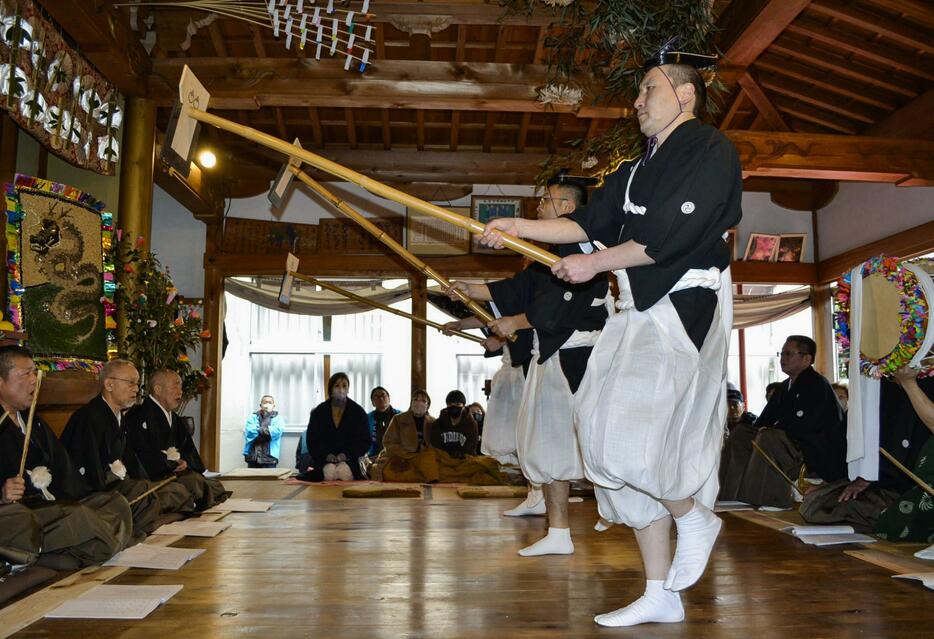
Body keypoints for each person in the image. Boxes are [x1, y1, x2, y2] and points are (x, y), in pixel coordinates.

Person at [480, 37, 741, 626]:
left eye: (648, 89)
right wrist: (513, 224)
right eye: (638, 92)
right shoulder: (634, 170)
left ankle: (694, 516)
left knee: (626, 439)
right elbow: (584, 224)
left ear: (685, 94)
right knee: (598, 441)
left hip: (682, 306)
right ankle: (660, 592)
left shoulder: (708, 149)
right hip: (635, 311)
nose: (637, 101)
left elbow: (674, 232)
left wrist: (596, 262)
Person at [452, 169, 609, 554]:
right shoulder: (550, 256)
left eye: (546, 201)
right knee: (549, 445)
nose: (539, 207)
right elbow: (521, 289)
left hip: (575, 358)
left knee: (570, 445)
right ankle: (558, 531)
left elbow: (556, 307)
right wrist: (466, 289)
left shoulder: (584, 252)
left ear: (567, 207)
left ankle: (590, 517)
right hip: (552, 355)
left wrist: (514, 321)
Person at [0, 346, 133, 569]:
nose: (34, 380)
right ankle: (85, 548)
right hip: (20, 515)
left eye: (35, 372)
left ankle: (65, 553)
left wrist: (82, 498)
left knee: (113, 502)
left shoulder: (34, 421)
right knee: (76, 517)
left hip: (49, 507)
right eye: (25, 374)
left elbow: (63, 467)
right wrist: (2, 493)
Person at [61, 360, 191, 538]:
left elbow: (131, 462)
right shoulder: (88, 418)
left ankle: (147, 517)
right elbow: (88, 473)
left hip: (121, 487)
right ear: (109, 384)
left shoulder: (118, 418)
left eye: (137, 384)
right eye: (130, 383)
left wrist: (148, 484)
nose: (136, 389)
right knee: (148, 494)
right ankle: (136, 523)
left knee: (174, 490)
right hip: (99, 494)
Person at [720, 336, 847, 509]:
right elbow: (763, 421)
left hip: (813, 451)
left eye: (788, 353)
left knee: (769, 438)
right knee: (741, 434)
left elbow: (806, 425)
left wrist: (770, 429)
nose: (783, 358)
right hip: (788, 444)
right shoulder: (784, 387)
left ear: (807, 359)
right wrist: (754, 429)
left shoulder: (817, 385)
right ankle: (730, 496)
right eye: (782, 353)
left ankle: (768, 499)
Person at [801, 370, 933, 533]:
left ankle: (894, 518)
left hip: (907, 483)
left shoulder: (926, 385)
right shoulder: (881, 387)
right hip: (879, 477)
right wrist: (835, 478)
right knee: (815, 503)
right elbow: (847, 437)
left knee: (826, 508)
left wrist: (909, 383)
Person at [125, 369, 228, 510]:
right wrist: (170, 464)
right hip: (158, 478)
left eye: (181, 386)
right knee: (194, 484)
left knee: (213, 485)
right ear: (158, 389)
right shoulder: (138, 416)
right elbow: (141, 453)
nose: (180, 391)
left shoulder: (173, 417)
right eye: (175, 386)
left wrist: (185, 462)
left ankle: (192, 501)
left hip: (174, 474)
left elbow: (187, 448)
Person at [303, 372, 370, 482]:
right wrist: (326, 455)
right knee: (328, 473)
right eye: (337, 386)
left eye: (344, 386)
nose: (341, 389)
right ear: (331, 389)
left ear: (348, 389)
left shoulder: (358, 411)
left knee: (345, 473)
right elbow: (312, 440)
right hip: (324, 460)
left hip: (351, 460)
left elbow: (364, 440)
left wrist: (346, 455)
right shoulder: (319, 411)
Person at [428, 390, 479, 458]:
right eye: (450, 404)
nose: (454, 407)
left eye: (457, 404)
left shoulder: (471, 424)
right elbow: (435, 446)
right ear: (447, 406)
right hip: (443, 460)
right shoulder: (438, 423)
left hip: (464, 461)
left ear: (463, 406)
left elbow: (471, 449)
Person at [243, 395, 283, 468]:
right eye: (265, 402)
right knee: (251, 479)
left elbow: (277, 432)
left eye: (270, 402)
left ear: (273, 405)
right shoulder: (252, 417)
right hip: (253, 456)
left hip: (270, 458)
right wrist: (267, 432)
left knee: (269, 479)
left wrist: (258, 429)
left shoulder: (278, 418)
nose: (267, 404)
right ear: (260, 405)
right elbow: (250, 432)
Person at [367, 387, 399, 458]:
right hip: (373, 457)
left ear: (389, 399)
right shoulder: (367, 418)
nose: (381, 399)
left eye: (383, 395)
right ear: (372, 403)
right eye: (376, 397)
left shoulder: (400, 416)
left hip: (397, 456)